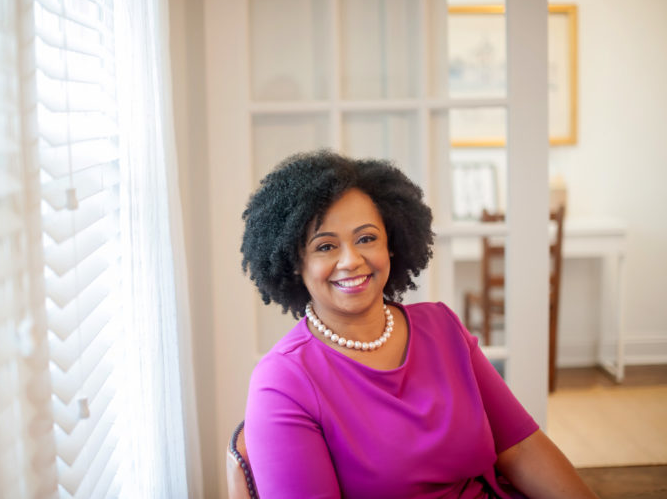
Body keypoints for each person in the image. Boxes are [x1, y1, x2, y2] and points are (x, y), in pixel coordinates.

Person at [240, 150, 597, 498]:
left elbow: (520, 447)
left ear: (391, 244)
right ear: (294, 263)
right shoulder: (283, 381)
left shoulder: (442, 327)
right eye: (325, 246)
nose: (351, 260)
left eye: (366, 238)